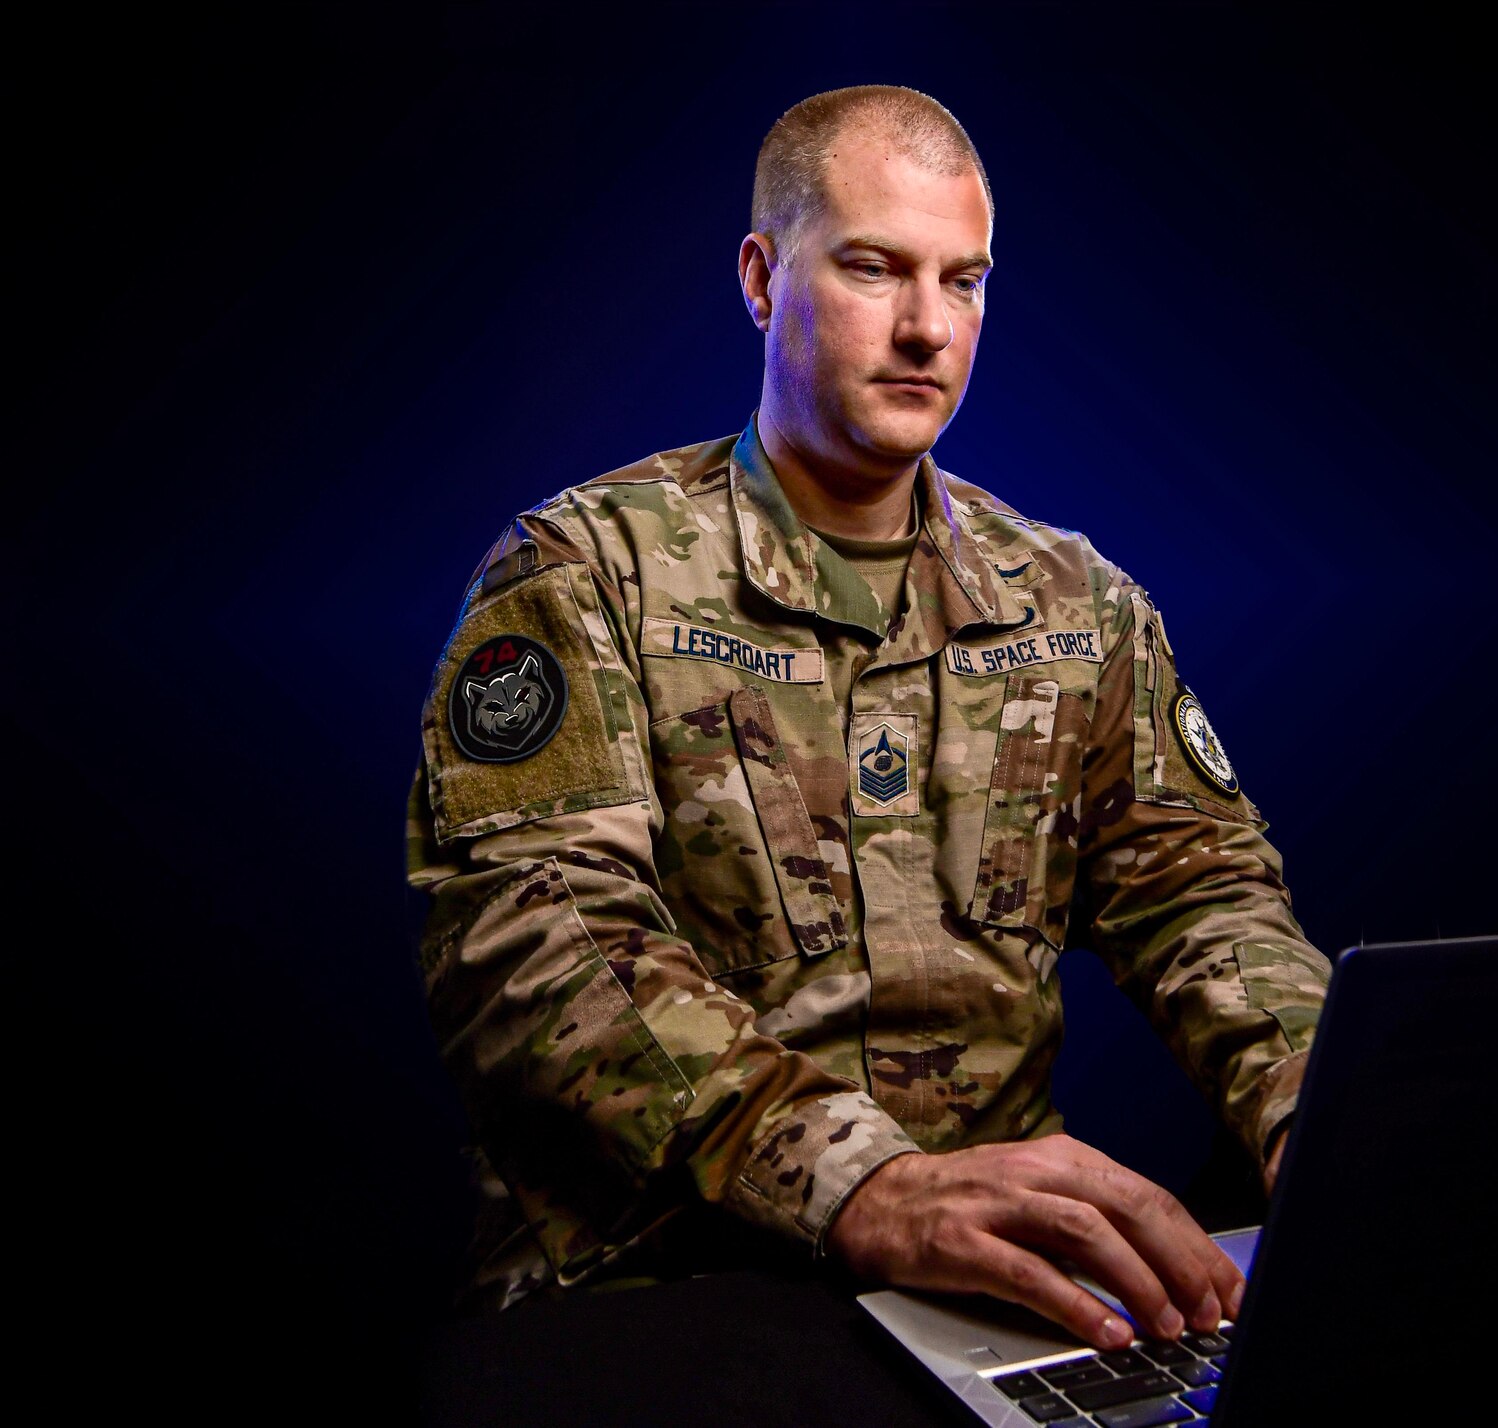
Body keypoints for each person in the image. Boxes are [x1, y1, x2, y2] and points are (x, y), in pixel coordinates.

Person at [407, 85, 1331, 1352]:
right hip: (660, 1296)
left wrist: (1324, 1122)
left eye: (963, 282)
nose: (924, 328)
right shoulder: (583, 576)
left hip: (1000, 1296)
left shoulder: (1074, 600)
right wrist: (863, 1184)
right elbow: (539, 946)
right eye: (872, 268)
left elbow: (1200, 893)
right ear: (759, 276)